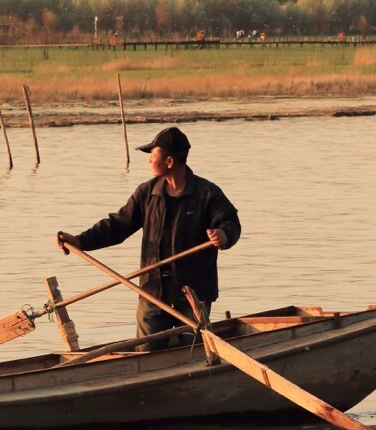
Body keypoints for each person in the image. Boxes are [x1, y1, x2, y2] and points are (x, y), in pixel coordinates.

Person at [55, 126, 240, 350]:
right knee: (145, 354)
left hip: (193, 294)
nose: (149, 160)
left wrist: (223, 235)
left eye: (153, 155)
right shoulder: (147, 193)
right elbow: (117, 225)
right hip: (152, 293)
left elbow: (230, 223)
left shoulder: (206, 193)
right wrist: (80, 241)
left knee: (195, 354)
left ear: (169, 161)